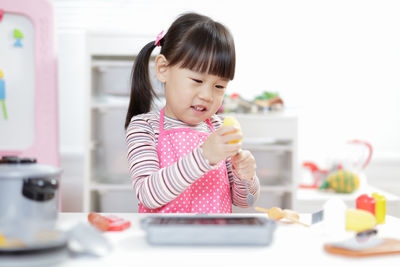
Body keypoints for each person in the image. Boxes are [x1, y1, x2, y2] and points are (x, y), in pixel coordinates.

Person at [125, 12, 260, 213]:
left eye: (219, 86)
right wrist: (205, 155)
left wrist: (246, 177)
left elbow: (245, 202)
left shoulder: (219, 128)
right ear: (163, 69)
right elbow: (148, 195)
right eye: (197, 81)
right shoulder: (144, 127)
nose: (207, 95)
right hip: (165, 242)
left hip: (215, 240)